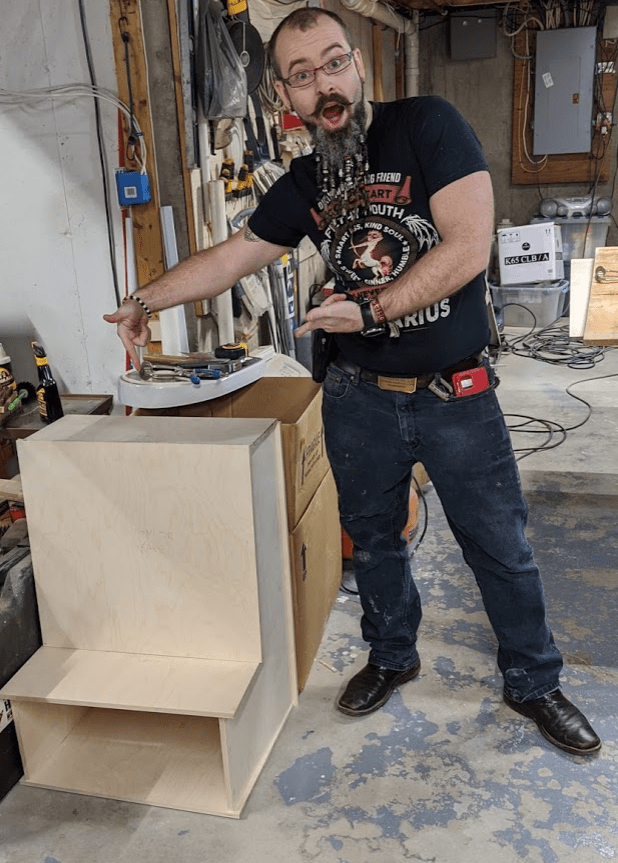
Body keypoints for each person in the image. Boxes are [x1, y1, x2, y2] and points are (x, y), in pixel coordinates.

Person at [104, 7, 601, 756]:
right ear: (284, 98)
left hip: (454, 392)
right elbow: (228, 259)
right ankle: (393, 656)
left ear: (360, 64)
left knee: (500, 546)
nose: (323, 85)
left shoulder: (427, 126)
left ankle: (534, 679)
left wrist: (366, 307)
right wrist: (144, 300)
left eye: (334, 63)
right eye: (303, 76)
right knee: (372, 542)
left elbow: (468, 246)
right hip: (359, 399)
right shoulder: (304, 179)